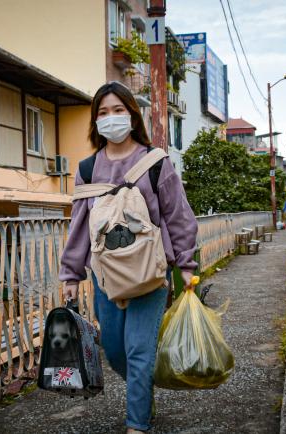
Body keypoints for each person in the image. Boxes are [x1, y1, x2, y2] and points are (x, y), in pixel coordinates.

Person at [59, 81, 198, 433]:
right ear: (95, 122)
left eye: (118, 110)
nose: (111, 118)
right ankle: (144, 389)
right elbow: (80, 225)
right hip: (106, 275)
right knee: (114, 350)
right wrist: (71, 275)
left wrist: (186, 267)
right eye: (103, 113)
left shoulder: (155, 162)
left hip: (151, 271)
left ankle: (137, 423)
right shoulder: (88, 169)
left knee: (138, 349)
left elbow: (178, 217)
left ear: (133, 116)